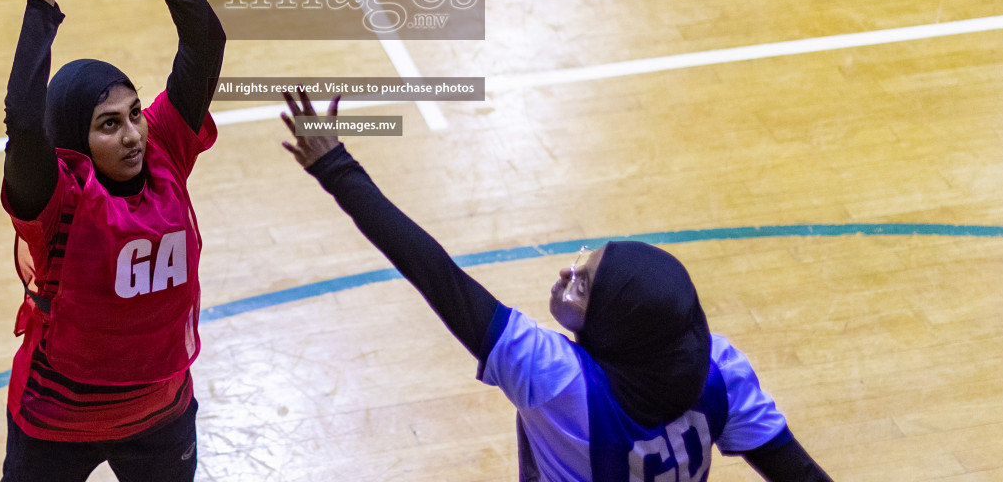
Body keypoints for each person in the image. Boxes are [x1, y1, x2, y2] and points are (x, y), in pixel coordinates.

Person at [279, 91, 835, 482]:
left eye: (583, 288)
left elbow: (437, 277)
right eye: (580, 263)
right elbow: (798, 472)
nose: (565, 276)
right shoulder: (720, 371)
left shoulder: (557, 383)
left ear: (618, 328)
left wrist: (338, 171)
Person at [0, 0, 225, 482]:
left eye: (134, 114)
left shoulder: (166, 150)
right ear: (75, 137)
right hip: (56, 426)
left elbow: (206, 43)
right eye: (109, 124)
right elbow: (24, 122)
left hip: (163, 416)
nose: (132, 136)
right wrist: (41, 4)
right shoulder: (56, 201)